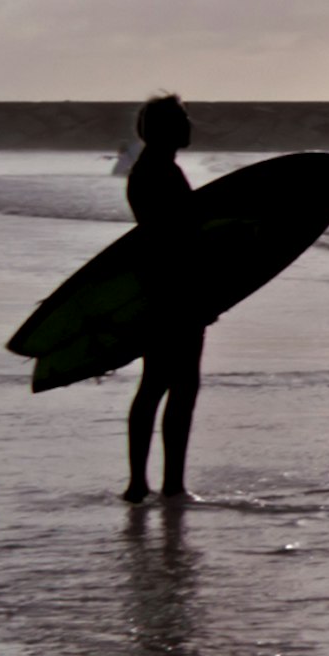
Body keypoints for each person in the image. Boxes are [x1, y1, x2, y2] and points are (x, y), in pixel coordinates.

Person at [124, 94, 205, 503]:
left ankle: (145, 482)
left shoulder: (150, 169)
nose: (191, 126)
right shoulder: (159, 172)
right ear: (168, 128)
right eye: (184, 120)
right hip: (173, 290)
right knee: (177, 385)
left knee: (158, 384)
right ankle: (165, 484)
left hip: (160, 287)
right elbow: (176, 236)